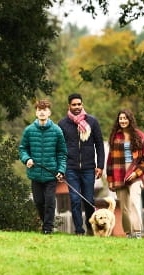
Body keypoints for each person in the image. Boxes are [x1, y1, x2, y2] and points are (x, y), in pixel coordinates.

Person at [58, 93, 104, 235]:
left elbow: (99, 145)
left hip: (88, 168)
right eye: (74, 105)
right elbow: (59, 148)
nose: (77, 107)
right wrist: (60, 168)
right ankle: (79, 230)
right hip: (71, 168)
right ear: (69, 106)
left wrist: (100, 165)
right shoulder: (62, 124)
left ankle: (91, 228)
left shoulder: (92, 122)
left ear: (82, 105)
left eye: (79, 104)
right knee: (75, 200)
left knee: (89, 200)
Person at [19, 99, 67, 234]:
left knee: (50, 202)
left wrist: (60, 170)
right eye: (39, 110)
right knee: (39, 202)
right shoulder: (29, 131)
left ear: (49, 112)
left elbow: (62, 153)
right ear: (36, 112)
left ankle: (47, 229)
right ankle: (45, 224)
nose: (41, 112)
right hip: (35, 174)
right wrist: (26, 158)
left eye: (44, 110)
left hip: (51, 174)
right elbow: (23, 148)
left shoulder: (57, 131)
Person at [106, 109, 144, 239]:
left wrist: (136, 174)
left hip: (134, 175)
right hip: (118, 174)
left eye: (125, 118)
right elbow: (110, 159)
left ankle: (137, 232)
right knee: (124, 206)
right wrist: (110, 180)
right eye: (120, 118)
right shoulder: (115, 136)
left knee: (134, 202)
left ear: (130, 120)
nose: (123, 121)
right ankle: (129, 233)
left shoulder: (140, 135)